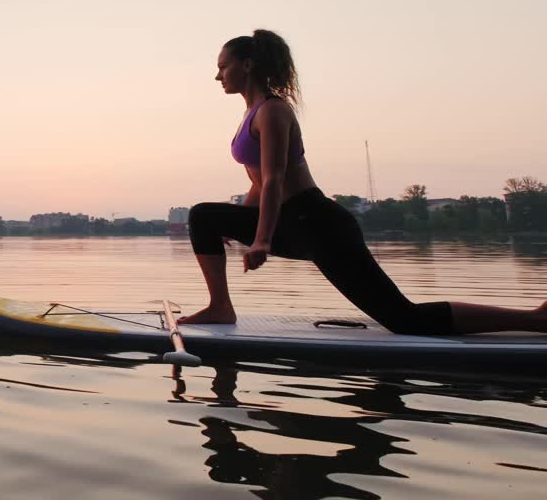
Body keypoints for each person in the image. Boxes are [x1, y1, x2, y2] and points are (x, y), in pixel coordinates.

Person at [180, 29, 547, 334]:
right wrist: (241, 223)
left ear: (247, 65)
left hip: (317, 223)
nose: (218, 76)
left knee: (405, 319)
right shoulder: (250, 114)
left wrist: (260, 239)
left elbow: (275, 179)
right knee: (204, 217)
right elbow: (259, 184)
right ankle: (220, 307)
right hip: (292, 221)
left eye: (222, 67)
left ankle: (535, 320)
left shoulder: (273, 111)